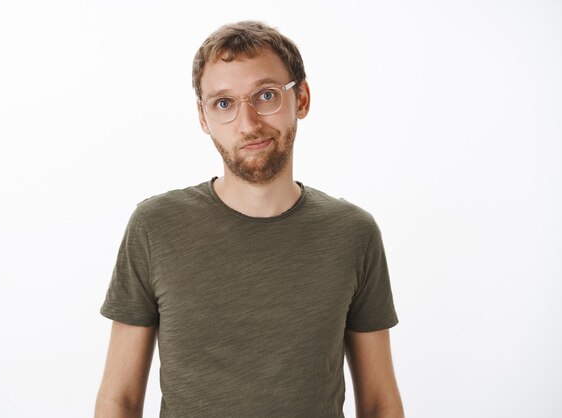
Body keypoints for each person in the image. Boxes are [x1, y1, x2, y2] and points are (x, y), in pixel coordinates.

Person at [95, 20, 404, 418]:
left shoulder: (352, 233)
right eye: (224, 103)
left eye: (266, 95)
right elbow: (118, 400)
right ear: (204, 118)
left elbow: (380, 403)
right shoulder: (155, 227)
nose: (248, 123)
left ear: (302, 99)